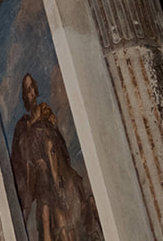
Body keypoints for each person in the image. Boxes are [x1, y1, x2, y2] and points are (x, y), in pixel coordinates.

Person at [9, 73, 103, 241]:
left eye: (32, 88)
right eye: (27, 89)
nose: (31, 92)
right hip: (40, 170)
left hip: (54, 159)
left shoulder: (44, 110)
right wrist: (35, 160)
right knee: (44, 185)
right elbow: (23, 150)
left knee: (76, 179)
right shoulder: (25, 123)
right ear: (24, 95)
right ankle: (46, 233)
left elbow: (54, 134)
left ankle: (91, 222)